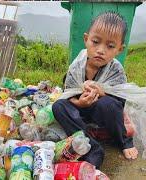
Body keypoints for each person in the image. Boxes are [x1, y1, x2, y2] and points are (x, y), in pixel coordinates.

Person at [52, 12, 138, 169]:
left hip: (101, 112)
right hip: (80, 110)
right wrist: (80, 102)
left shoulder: (116, 70)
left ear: (119, 49)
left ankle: (124, 141)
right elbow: (69, 93)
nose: (101, 50)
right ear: (86, 40)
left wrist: (103, 93)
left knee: (109, 105)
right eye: (96, 42)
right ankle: (92, 146)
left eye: (110, 46)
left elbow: (120, 102)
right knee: (58, 106)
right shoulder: (77, 66)